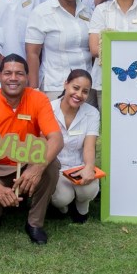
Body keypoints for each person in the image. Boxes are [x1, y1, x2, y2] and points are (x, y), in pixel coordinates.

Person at [0, 54, 65, 244]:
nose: (13, 78)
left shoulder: (39, 99)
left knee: (51, 165)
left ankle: (34, 223)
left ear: (27, 77)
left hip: (27, 162)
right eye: (8, 73)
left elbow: (56, 139)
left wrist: (36, 168)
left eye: (19, 73)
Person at [25, 0, 96, 99]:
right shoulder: (41, 13)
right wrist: (33, 91)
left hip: (86, 88)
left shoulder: (88, 12)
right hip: (55, 87)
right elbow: (32, 54)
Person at [48, 70, 102, 224]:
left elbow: (89, 146)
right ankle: (62, 207)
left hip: (78, 165)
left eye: (85, 91)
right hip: (56, 167)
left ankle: (82, 206)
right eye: (75, 88)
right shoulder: (48, 109)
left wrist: (89, 167)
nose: (79, 94)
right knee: (61, 198)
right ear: (66, 84)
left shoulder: (92, 113)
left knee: (90, 189)